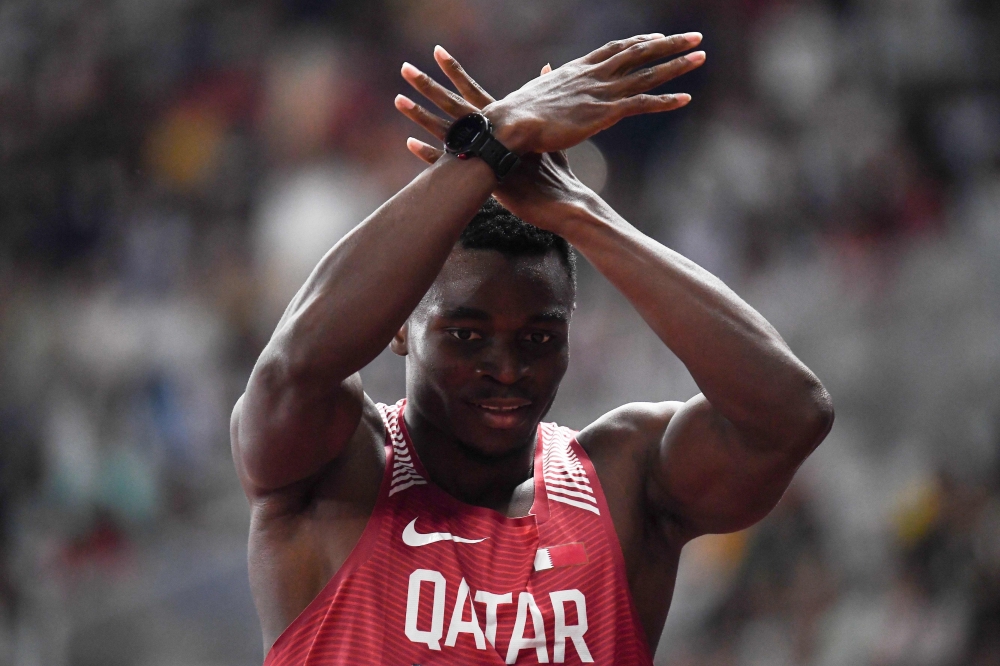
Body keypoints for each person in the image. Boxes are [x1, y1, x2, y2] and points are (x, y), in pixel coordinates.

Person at [231, 31, 834, 665]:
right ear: (402, 326)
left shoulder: (623, 482)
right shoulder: (336, 468)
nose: (507, 368)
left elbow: (791, 416)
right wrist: (493, 139)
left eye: (539, 338)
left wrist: (581, 213)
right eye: (466, 335)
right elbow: (291, 371)